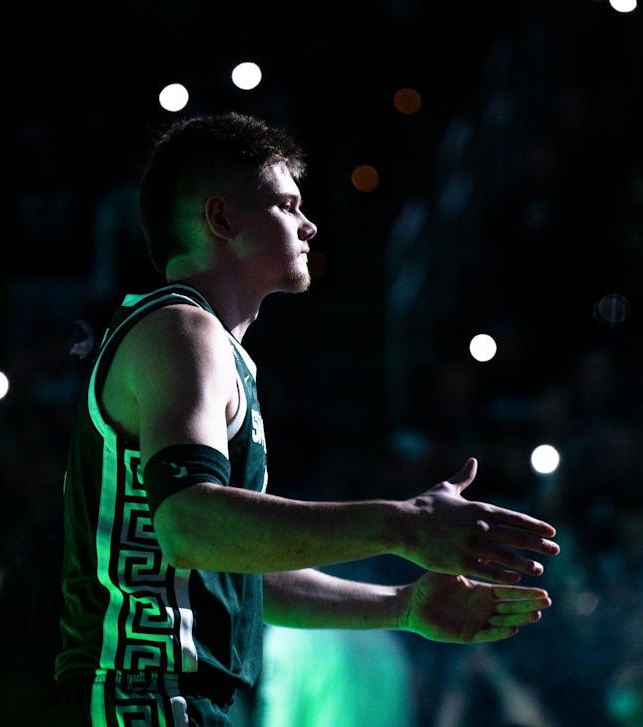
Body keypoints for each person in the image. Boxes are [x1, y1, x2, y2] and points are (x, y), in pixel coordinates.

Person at [49, 111, 561, 726]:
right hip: (137, 697)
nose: (310, 224)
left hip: (167, 697)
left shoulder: (203, 343)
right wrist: (402, 525)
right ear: (221, 219)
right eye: (287, 204)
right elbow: (189, 525)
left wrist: (400, 606)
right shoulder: (180, 328)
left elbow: (231, 569)